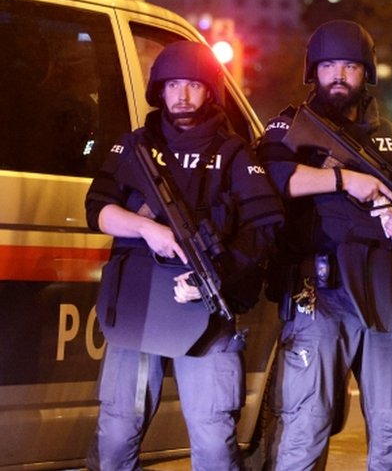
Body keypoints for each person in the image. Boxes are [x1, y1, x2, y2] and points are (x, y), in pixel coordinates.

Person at [84, 41, 284, 470]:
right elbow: (97, 209)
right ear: (159, 89)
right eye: (174, 84)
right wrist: (146, 229)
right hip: (140, 299)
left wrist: (215, 274)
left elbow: (264, 225)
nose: (183, 95)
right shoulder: (135, 147)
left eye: (193, 85)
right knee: (117, 434)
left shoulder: (232, 153)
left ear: (209, 91)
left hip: (207, 303)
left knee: (213, 441)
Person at [257, 20, 392, 470]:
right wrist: (346, 179)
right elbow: (273, 178)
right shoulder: (289, 126)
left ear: (367, 73)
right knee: (305, 424)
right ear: (313, 72)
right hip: (318, 292)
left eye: (349, 66)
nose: (339, 75)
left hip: (384, 291)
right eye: (328, 66)